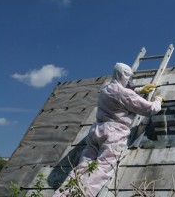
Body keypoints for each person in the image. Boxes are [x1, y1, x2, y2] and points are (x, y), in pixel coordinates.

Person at [53, 63, 163, 197]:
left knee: (83, 167)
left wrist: (139, 90)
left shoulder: (105, 89)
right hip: (114, 133)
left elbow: (119, 94)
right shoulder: (125, 93)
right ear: (124, 75)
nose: (129, 81)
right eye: (128, 77)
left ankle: (63, 195)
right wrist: (158, 101)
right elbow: (149, 109)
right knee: (102, 168)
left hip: (96, 130)